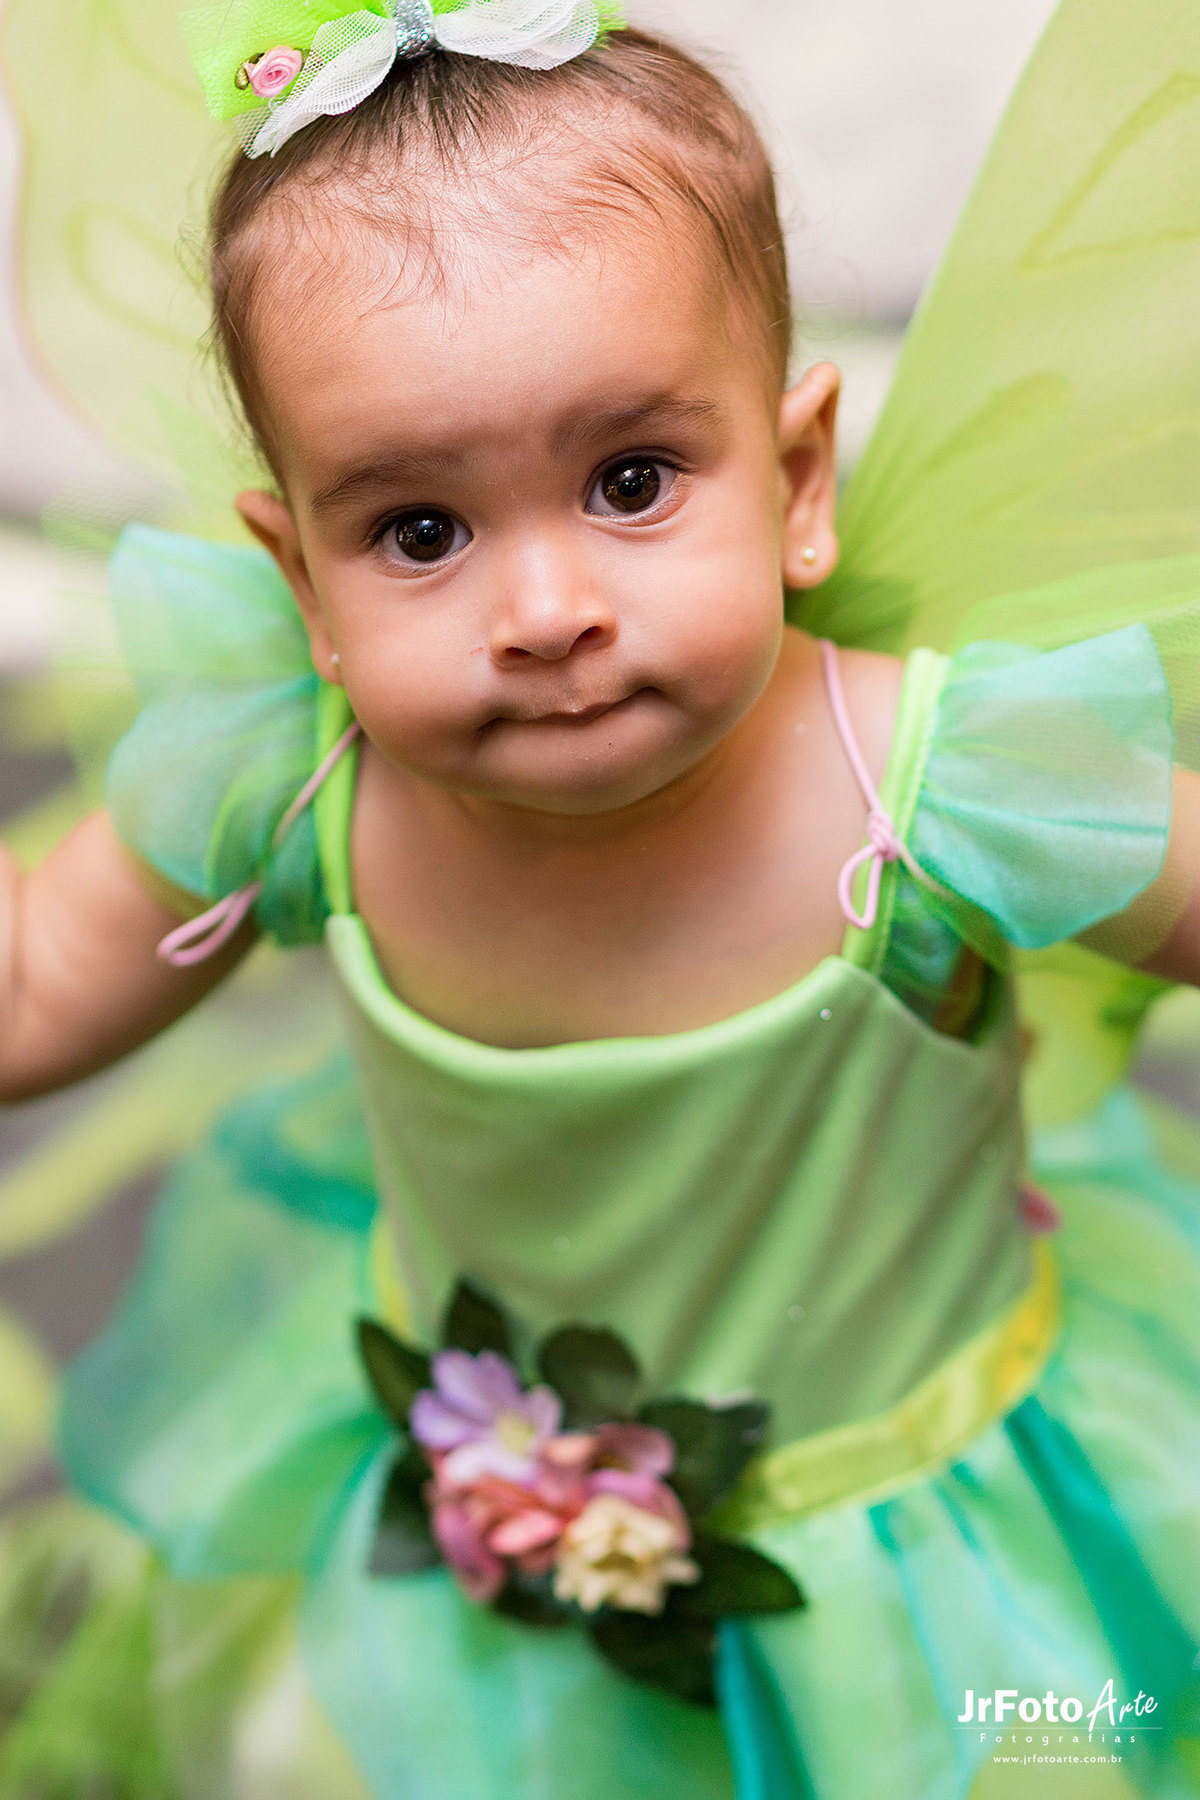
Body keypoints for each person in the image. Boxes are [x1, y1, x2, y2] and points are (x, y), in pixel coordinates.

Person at [1, 0, 1200, 1794]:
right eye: (420, 531)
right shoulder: (296, 775)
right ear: (304, 577)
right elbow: (33, 988)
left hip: (932, 1540)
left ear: (798, 484)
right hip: (498, 1564)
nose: (544, 606)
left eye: (633, 482)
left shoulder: (936, 780)